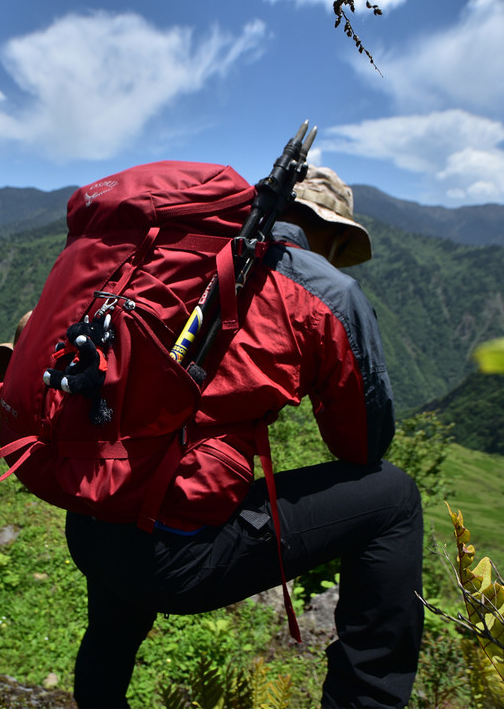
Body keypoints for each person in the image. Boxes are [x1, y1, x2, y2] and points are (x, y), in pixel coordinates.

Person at [63, 165, 424, 709]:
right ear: (331, 232)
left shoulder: (176, 254)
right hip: (174, 560)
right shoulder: (327, 291)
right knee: (393, 496)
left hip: (90, 515)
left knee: (141, 481)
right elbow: (362, 448)